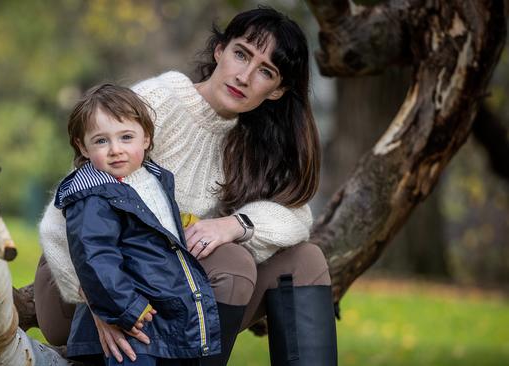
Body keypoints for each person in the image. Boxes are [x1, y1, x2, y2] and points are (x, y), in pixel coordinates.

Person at [35, 5, 337, 366]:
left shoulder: (255, 139)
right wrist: (103, 305)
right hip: (84, 283)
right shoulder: (157, 103)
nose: (244, 76)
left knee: (306, 260)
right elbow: (64, 219)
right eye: (241, 54)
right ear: (219, 50)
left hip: (168, 293)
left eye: (265, 72)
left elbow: (296, 216)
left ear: (277, 90)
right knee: (234, 261)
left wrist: (233, 225)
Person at [56, 83, 221, 365]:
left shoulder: (154, 179)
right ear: (83, 147)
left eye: (126, 137)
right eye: (101, 141)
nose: (115, 150)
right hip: (128, 320)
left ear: (146, 138)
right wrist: (125, 307)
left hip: (161, 313)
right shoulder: (93, 195)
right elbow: (95, 257)